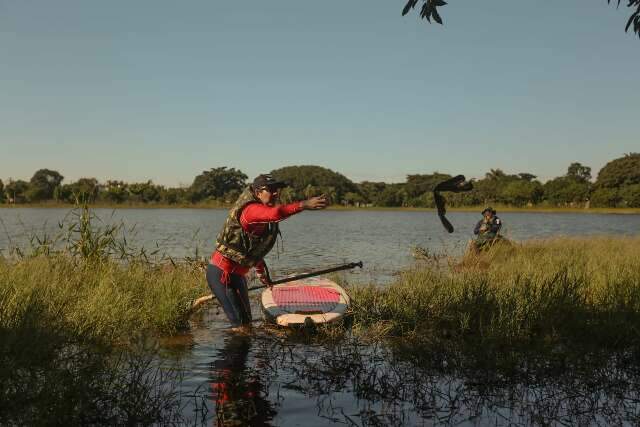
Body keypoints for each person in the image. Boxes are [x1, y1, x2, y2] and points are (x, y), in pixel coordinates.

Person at [207, 174, 328, 329]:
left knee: (246, 324)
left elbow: (252, 251)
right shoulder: (251, 211)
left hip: (237, 276)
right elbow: (276, 214)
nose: (276, 193)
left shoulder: (262, 216)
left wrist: (263, 276)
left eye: (277, 190)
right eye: (270, 189)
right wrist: (304, 204)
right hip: (222, 274)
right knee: (240, 327)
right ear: (258, 192)